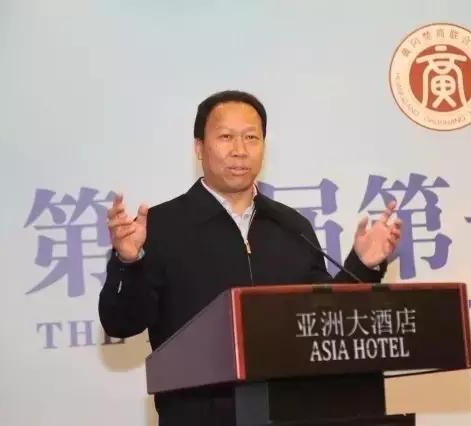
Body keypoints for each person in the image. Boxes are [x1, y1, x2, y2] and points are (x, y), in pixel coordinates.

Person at [98, 90, 403, 426]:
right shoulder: (161, 226)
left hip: (292, 415)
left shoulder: (291, 225)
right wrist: (129, 262)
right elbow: (121, 322)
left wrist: (362, 264)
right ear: (199, 147)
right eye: (226, 137)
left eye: (251, 138)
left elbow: (323, 321)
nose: (240, 150)